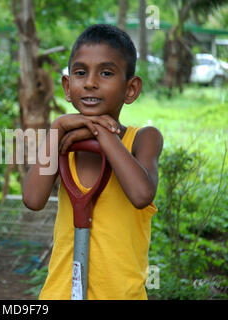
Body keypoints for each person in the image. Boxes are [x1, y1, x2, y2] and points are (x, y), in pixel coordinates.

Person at [22, 24, 163, 300]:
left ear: (131, 89)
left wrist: (101, 131)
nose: (90, 82)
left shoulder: (143, 139)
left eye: (106, 73)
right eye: (80, 72)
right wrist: (57, 126)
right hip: (61, 294)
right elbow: (33, 199)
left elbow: (141, 194)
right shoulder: (64, 142)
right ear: (67, 85)